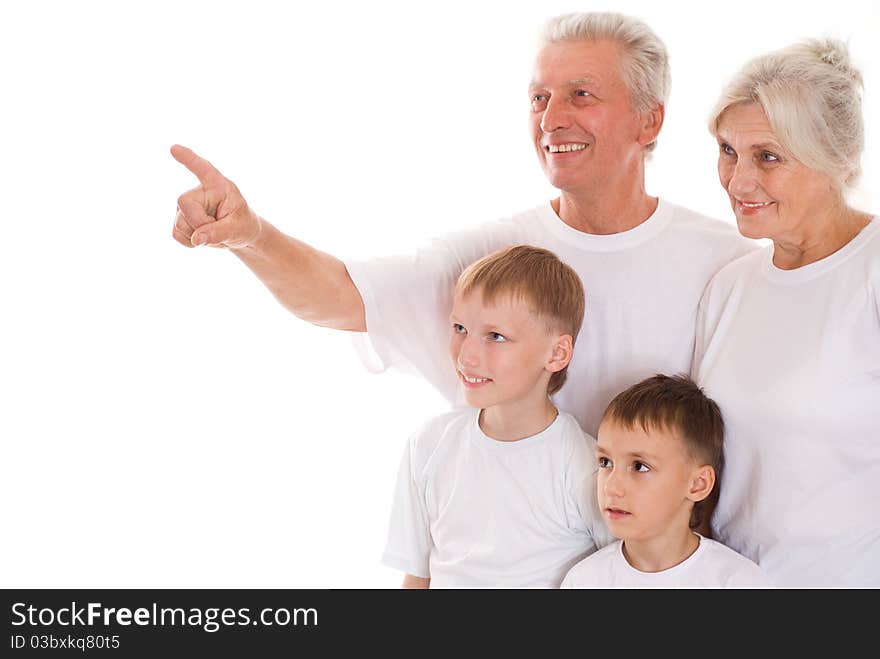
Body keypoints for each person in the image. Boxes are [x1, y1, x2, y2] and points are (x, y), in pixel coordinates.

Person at [170, 11, 757, 440]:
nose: (553, 118)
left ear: (649, 121)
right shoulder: (491, 257)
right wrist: (252, 236)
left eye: (582, 94)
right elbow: (342, 297)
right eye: (539, 98)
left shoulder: (725, 262)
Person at [692, 38, 879, 587]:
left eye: (768, 156)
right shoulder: (730, 287)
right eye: (728, 150)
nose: (738, 180)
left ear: (839, 160)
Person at [383, 245, 611, 588]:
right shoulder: (429, 447)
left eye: (495, 336)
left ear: (557, 353)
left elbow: (627, 572)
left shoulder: (583, 467)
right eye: (460, 328)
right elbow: (418, 577)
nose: (467, 355)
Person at [561, 375, 771, 588]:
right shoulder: (584, 581)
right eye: (606, 462)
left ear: (698, 484)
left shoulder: (737, 581)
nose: (611, 487)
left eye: (639, 466)